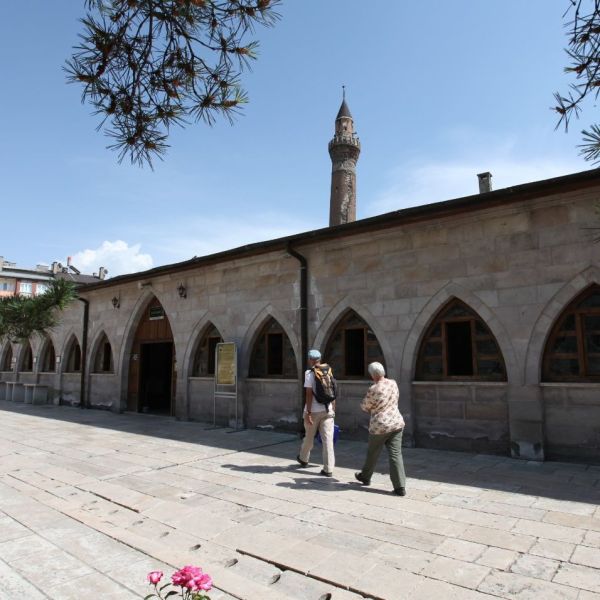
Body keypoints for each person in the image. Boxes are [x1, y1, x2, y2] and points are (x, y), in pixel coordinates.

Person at [355, 362, 407, 496]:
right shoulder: (393, 383)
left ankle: (365, 476)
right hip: (396, 422)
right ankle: (400, 486)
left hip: (379, 426)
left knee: (373, 453)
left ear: (373, 375)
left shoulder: (374, 388)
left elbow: (365, 406)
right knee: (396, 454)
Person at [296, 349, 335, 476]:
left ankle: (303, 458)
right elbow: (332, 391)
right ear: (320, 359)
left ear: (310, 359)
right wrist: (333, 408)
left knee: (309, 436)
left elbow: (308, 393)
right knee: (327, 439)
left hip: (314, 411)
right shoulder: (328, 370)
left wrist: (308, 412)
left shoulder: (309, 373)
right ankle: (328, 469)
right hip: (328, 409)